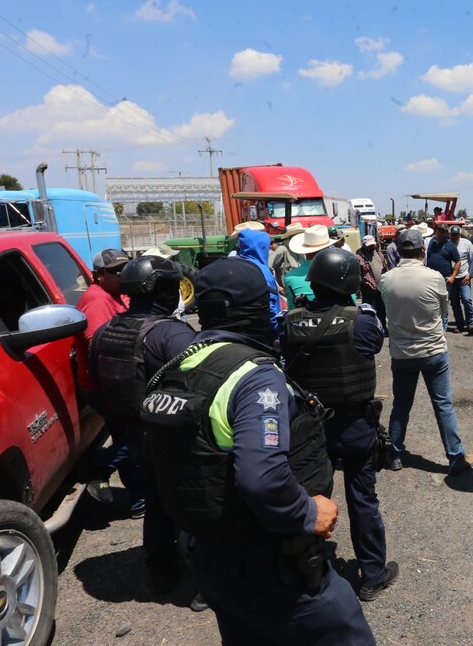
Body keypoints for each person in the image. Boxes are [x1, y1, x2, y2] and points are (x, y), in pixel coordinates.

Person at [142, 258, 374, 644]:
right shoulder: (252, 375)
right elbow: (261, 476)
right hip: (265, 558)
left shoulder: (179, 366)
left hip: (206, 552)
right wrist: (307, 511)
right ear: (257, 308)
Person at [283, 248, 399, 602]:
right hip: (353, 426)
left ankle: (308, 573)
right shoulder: (361, 320)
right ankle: (372, 575)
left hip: (309, 430)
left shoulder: (290, 320)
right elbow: (372, 345)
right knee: (362, 499)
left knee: (310, 501)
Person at [89, 256, 199, 599]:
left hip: (135, 434)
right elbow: (201, 387)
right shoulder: (172, 332)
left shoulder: (106, 330)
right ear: (162, 290)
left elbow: (95, 382)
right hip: (175, 436)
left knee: (155, 500)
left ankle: (160, 570)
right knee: (195, 504)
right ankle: (201, 583)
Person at [378, 228, 473, 474]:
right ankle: (455, 457)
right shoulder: (434, 277)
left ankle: (395, 454)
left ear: (398, 251)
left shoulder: (386, 278)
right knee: (443, 404)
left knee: (401, 404)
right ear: (423, 250)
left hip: (402, 352)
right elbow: (443, 311)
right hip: (432, 350)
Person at [77, 248, 131, 482]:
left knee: (128, 436)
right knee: (137, 435)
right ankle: (98, 464)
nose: (122, 274)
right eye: (116, 271)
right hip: (105, 384)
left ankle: (139, 498)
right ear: (99, 275)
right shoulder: (97, 300)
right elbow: (97, 348)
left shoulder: (119, 293)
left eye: (126, 268)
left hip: (119, 380)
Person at [234, 226, 284, 338]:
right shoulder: (262, 271)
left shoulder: (234, 265)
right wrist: (277, 331)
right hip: (262, 332)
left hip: (239, 330)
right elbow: (270, 307)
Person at [285, 226, 339, 306]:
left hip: (301, 317)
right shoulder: (339, 273)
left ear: (305, 250)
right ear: (328, 247)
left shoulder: (289, 277)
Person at [425, 224, 462, 331]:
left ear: (447, 233)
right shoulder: (431, 242)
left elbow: (458, 261)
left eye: (443, 231)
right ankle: (433, 324)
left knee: (444, 303)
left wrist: (453, 277)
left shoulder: (450, 246)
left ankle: (442, 327)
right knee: (431, 301)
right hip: (430, 278)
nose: (440, 233)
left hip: (445, 279)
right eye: (439, 231)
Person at [448, 226, 473, 332]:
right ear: (450, 234)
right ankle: (459, 324)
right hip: (452, 278)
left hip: (464, 277)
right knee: (454, 302)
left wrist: (470, 274)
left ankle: (471, 323)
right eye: (453, 234)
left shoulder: (467, 243)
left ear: (460, 234)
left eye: (457, 234)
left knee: (467, 299)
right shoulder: (447, 244)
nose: (455, 236)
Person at [356, 234, 388, 328]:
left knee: (382, 310)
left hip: (381, 287)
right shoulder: (359, 257)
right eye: (369, 246)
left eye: (372, 245)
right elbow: (358, 273)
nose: (371, 247)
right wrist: (364, 284)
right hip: (369, 289)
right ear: (364, 245)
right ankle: (371, 329)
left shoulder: (379, 253)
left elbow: (385, 266)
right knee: (370, 311)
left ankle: (382, 327)